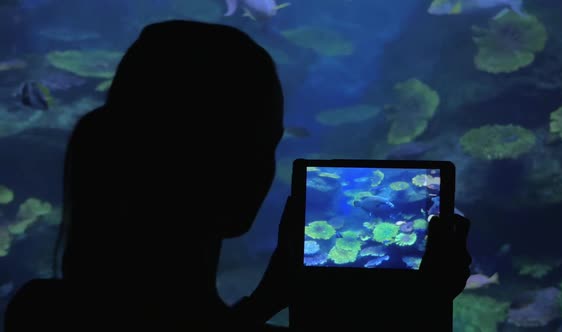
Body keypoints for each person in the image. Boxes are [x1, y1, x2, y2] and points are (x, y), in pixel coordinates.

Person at [4, 20, 471, 331]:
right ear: (241, 178)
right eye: (266, 145)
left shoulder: (37, 312)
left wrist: (267, 299)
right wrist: (425, 309)